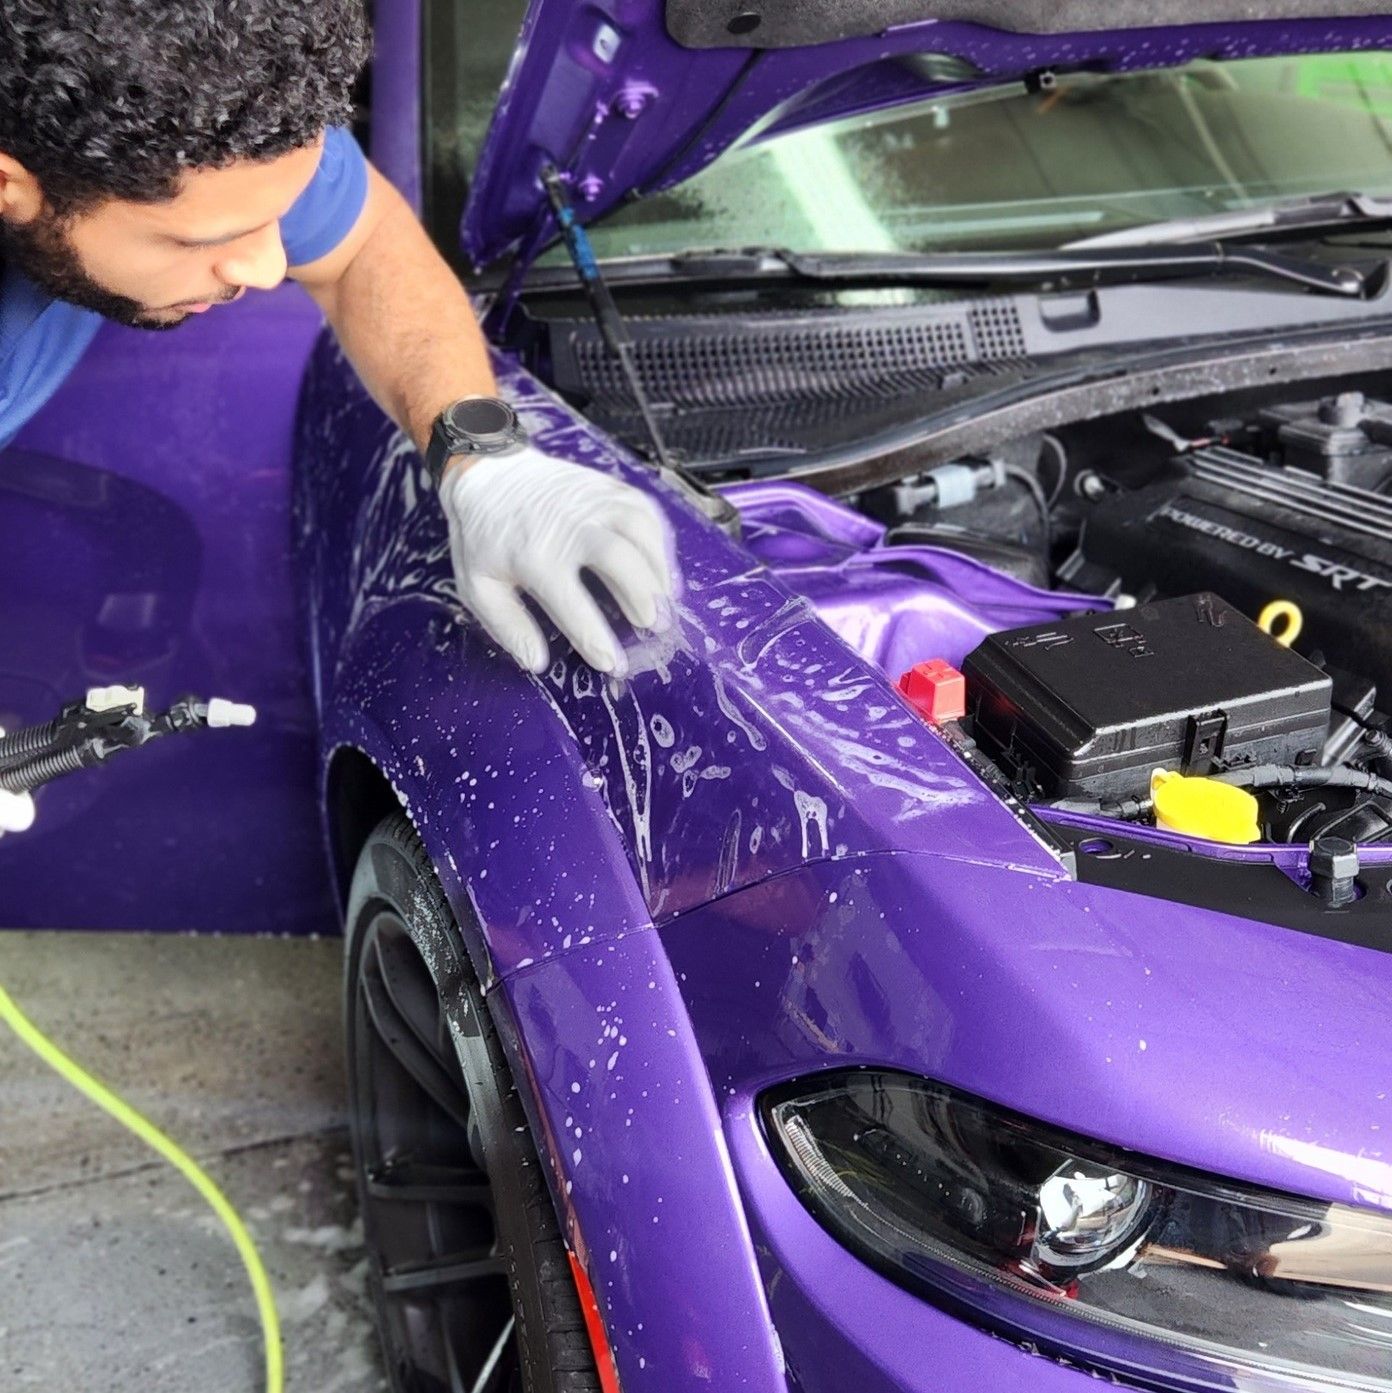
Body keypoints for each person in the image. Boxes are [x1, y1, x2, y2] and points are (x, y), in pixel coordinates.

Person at [0, 0, 677, 835]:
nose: (269, 263)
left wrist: (484, 459)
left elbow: (363, 247)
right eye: (201, 238)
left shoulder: (193, 114)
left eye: (276, 214)